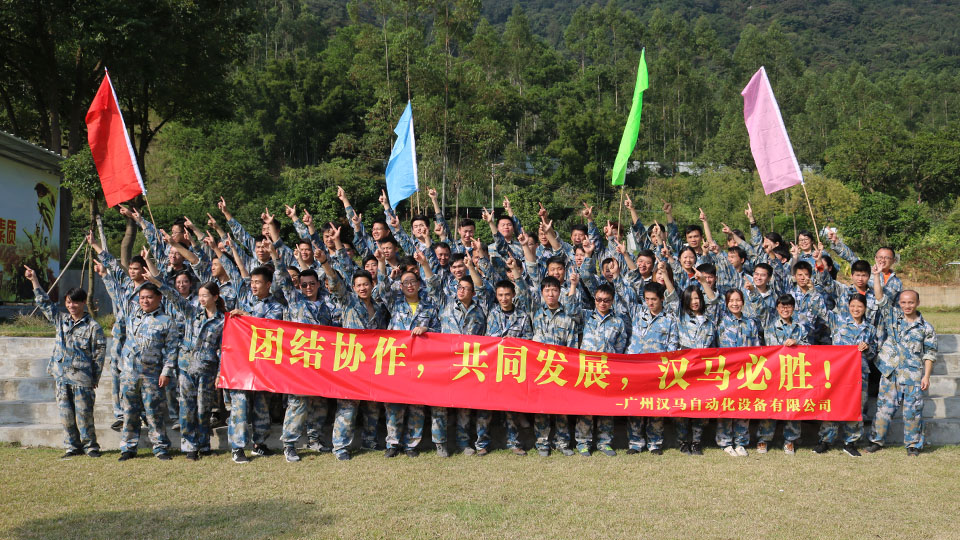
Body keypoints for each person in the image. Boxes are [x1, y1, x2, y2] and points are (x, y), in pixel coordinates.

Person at [26, 266, 106, 459]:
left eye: (76, 302)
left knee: (84, 415)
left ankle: (90, 446)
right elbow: (44, 303)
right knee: (66, 415)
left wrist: (95, 377)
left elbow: (99, 354)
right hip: (61, 376)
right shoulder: (61, 320)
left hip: (82, 378)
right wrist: (34, 280)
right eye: (69, 302)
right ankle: (72, 446)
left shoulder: (93, 327)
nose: (72, 306)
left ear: (83, 303)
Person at [152, 274, 225, 461]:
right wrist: (157, 282)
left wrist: (219, 374)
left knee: (203, 409)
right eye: (199, 295)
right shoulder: (192, 312)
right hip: (186, 367)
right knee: (186, 408)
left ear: (215, 297)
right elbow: (174, 297)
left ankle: (204, 444)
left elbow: (224, 349)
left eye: (205, 295)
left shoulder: (223, 321)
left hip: (207, 369)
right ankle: (189, 446)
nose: (201, 299)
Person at [865, 265, 937, 456]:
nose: (907, 306)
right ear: (899, 303)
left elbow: (929, 354)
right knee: (883, 410)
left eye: (911, 302)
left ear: (917, 303)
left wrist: (926, 376)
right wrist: (876, 276)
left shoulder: (926, 328)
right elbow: (880, 298)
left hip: (913, 375)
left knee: (912, 412)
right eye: (904, 302)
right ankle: (876, 441)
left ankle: (913, 445)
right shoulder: (893, 318)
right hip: (891, 373)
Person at [375, 255, 440, 458]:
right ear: (400, 286)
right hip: (397, 361)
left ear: (419, 284)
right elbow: (382, 290)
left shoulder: (429, 306)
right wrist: (381, 264)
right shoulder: (395, 303)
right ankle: (393, 443)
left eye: (413, 281)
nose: (410, 285)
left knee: (417, 404)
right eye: (405, 282)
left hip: (420, 362)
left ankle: (412, 444)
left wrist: (427, 329)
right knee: (393, 403)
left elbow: (440, 332)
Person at [115, 281, 179, 461]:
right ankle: (128, 447)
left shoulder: (166, 321)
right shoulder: (132, 315)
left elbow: (172, 349)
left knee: (154, 412)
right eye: (142, 298)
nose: (145, 301)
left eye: (149, 297)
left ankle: (160, 447)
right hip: (129, 373)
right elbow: (119, 293)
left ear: (159, 298)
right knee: (129, 412)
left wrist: (166, 372)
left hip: (152, 374)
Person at [812, 293, 876, 457]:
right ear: (848, 307)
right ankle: (825, 441)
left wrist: (868, 348)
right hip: (838, 373)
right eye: (853, 306)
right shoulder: (838, 321)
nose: (856, 309)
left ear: (865, 308)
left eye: (859, 306)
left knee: (855, 407)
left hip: (859, 374)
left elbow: (873, 353)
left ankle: (850, 442)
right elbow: (821, 310)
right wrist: (813, 290)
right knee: (833, 405)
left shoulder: (870, 329)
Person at [575, 283, 627, 457]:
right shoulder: (585, 316)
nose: (602, 303)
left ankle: (605, 442)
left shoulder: (618, 322)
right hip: (587, 369)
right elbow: (570, 310)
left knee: (606, 408)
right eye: (599, 300)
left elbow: (620, 348)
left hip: (607, 370)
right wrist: (573, 285)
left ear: (612, 301)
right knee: (586, 407)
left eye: (606, 300)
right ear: (594, 300)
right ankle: (583, 442)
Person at [757, 295, 809, 455]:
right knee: (771, 405)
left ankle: (790, 440)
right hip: (774, 373)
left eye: (788, 306)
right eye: (782, 306)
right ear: (777, 308)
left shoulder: (800, 328)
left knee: (793, 405)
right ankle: (764, 439)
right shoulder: (771, 326)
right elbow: (772, 347)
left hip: (795, 373)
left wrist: (797, 343)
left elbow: (809, 348)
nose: (785, 310)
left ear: (793, 308)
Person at [715, 289, 760, 457]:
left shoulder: (750, 323)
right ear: (727, 303)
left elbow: (757, 347)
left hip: (746, 372)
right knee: (726, 405)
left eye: (738, 300)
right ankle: (725, 442)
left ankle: (740, 442)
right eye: (731, 301)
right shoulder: (721, 322)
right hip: (726, 373)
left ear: (743, 302)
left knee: (743, 406)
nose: (735, 304)